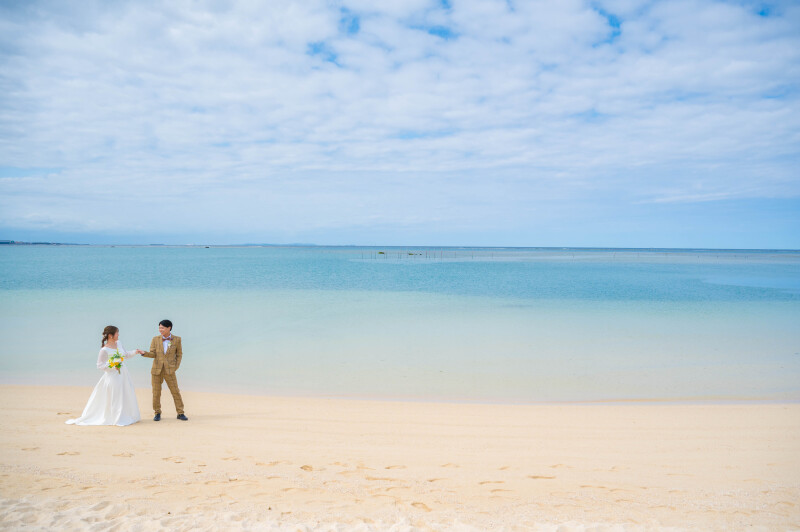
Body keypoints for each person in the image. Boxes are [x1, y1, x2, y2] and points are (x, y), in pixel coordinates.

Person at [66, 326, 145, 426]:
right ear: (111, 335)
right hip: (112, 376)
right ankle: (115, 418)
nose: (118, 335)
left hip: (123, 374)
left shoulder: (119, 343)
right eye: (117, 333)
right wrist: (113, 366)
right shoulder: (104, 350)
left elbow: (125, 355)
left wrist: (135, 352)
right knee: (115, 396)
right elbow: (100, 365)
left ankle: (124, 415)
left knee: (125, 394)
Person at [142, 319, 188, 421]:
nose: (160, 330)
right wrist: (144, 353)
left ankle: (180, 413)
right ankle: (157, 413)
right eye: (159, 328)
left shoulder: (177, 339)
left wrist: (175, 367)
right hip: (156, 370)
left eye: (162, 328)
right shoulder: (155, 339)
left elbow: (179, 354)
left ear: (169, 328)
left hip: (170, 370)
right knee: (156, 393)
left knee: (175, 392)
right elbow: (153, 354)